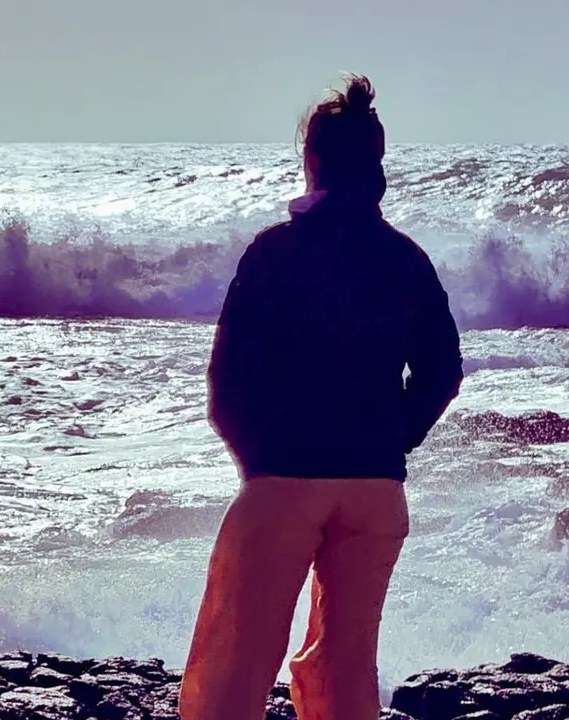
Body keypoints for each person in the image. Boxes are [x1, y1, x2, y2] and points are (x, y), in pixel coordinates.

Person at [179, 74, 464, 720]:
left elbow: (227, 382)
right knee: (345, 673)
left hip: (285, 477)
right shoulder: (405, 258)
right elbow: (443, 370)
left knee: (233, 668)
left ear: (311, 160)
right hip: (375, 489)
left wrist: (259, 460)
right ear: (377, 167)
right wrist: (393, 436)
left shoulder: (276, 252)